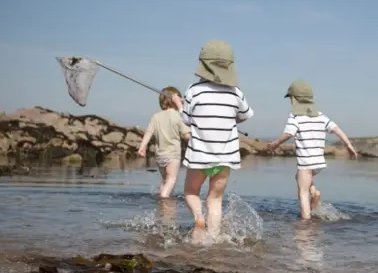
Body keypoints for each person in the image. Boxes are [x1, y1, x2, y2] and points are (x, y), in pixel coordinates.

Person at [180, 40, 254, 241]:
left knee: (191, 191)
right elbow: (246, 115)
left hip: (199, 156)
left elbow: (186, 119)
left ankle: (198, 219)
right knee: (215, 198)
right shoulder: (235, 92)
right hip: (224, 158)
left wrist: (180, 105)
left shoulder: (193, 90)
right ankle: (213, 238)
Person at [266, 80, 358, 220]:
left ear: (294, 99)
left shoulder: (295, 116)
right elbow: (336, 129)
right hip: (318, 162)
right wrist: (348, 145)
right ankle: (314, 192)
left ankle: (306, 222)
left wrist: (275, 144)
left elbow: (288, 134)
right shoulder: (320, 115)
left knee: (302, 193)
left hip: (306, 162)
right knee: (300, 178)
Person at [137, 86, 190, 199]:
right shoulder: (179, 116)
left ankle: (163, 199)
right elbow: (187, 136)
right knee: (171, 179)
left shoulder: (156, 116)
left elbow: (149, 132)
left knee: (165, 179)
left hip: (159, 155)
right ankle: (164, 198)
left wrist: (142, 147)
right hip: (172, 155)